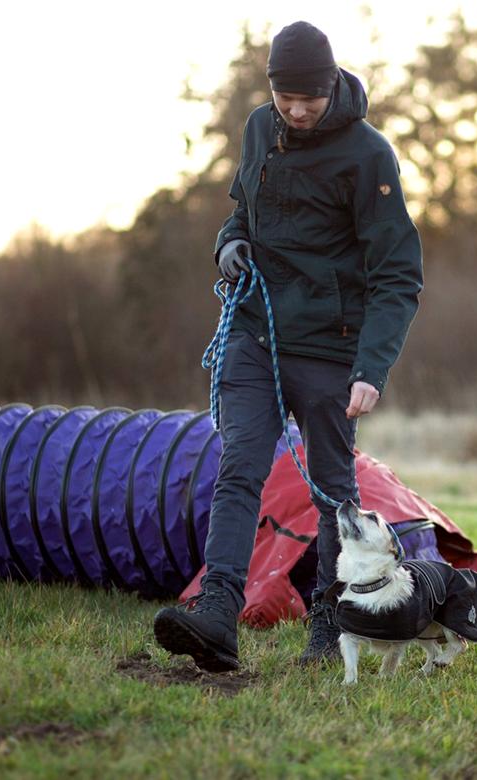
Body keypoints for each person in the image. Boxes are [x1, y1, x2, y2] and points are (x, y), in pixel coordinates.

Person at [153, 20, 423, 671]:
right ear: (270, 89)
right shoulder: (257, 130)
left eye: (310, 97)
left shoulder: (369, 155)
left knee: (333, 492)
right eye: (285, 97)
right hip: (255, 332)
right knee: (241, 462)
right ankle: (217, 610)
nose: (297, 110)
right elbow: (239, 212)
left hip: (332, 352)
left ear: (332, 86)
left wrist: (372, 366)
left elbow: (398, 273)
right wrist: (229, 246)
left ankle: (329, 625)